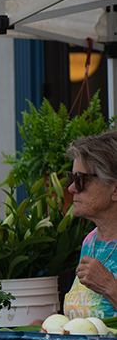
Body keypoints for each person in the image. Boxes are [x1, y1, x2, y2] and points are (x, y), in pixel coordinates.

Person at [63, 131, 117, 319]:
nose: (71, 188)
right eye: (72, 178)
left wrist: (110, 287)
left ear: (115, 189)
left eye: (81, 180)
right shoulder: (91, 240)